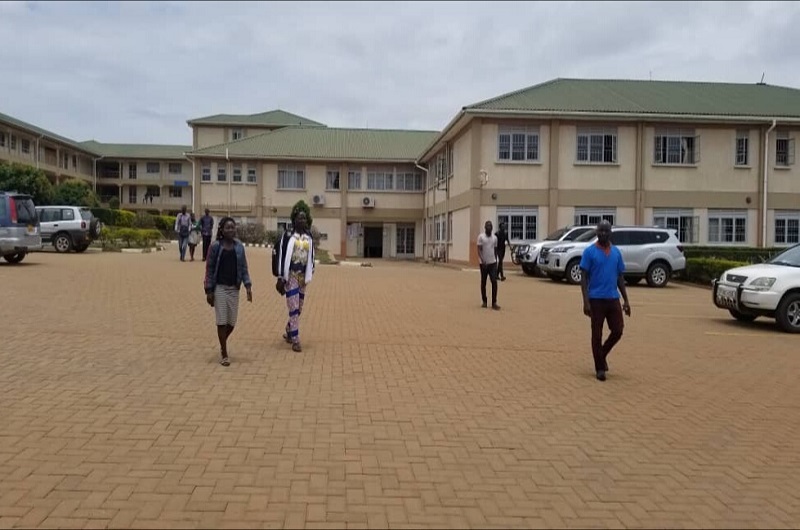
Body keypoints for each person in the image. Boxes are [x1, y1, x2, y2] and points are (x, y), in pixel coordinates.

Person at [579, 220, 631, 382]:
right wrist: (585, 301)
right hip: (595, 299)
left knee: (618, 330)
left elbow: (620, 278)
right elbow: (583, 277)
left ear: (610, 233)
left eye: (606, 231)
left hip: (612, 298)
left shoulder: (616, 252)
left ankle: (601, 354)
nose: (603, 233)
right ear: (596, 232)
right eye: (600, 230)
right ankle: (600, 368)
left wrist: (626, 300)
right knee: (597, 333)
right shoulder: (589, 252)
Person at [204, 217, 253, 366]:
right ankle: (224, 353)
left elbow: (244, 268)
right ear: (222, 230)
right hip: (220, 288)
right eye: (227, 228)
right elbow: (209, 269)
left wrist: (248, 286)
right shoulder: (215, 247)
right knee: (221, 322)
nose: (231, 230)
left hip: (234, 289)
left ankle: (221, 342)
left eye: (233, 227)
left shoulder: (239, 247)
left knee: (231, 323)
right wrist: (209, 290)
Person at [273, 207, 315, 352]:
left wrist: (311, 271)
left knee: (299, 308)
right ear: (294, 220)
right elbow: (281, 256)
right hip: (290, 276)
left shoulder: (309, 237)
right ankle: (296, 340)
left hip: (303, 277)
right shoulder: (288, 236)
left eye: (304, 218)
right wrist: (280, 277)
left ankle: (289, 329)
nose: (302, 220)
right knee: (293, 307)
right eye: (299, 218)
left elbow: (312, 256)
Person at [477, 220, 500, 310]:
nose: (489, 228)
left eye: (490, 226)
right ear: (485, 227)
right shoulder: (481, 237)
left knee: (494, 281)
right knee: (483, 282)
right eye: (487, 226)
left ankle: (494, 302)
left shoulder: (494, 238)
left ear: (492, 228)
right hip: (484, 264)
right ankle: (484, 301)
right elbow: (479, 250)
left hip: (492, 263)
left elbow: (495, 250)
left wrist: (496, 260)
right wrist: (482, 260)